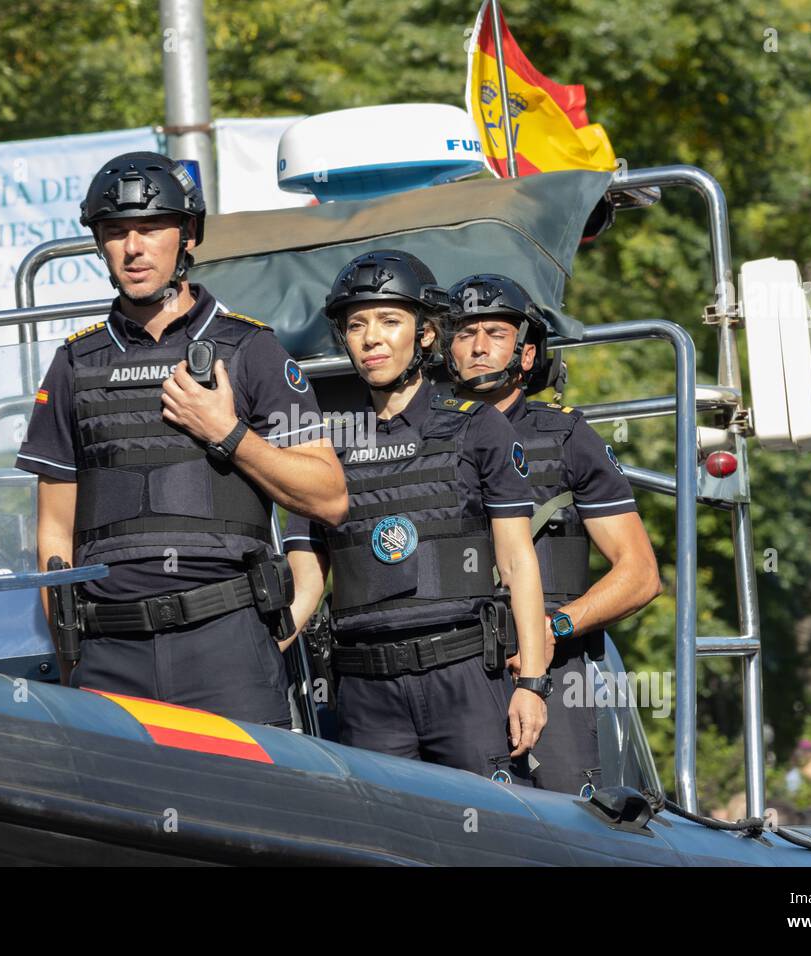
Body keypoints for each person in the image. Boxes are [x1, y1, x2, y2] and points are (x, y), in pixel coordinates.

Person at [16, 151, 346, 725]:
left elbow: (329, 497)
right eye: (116, 232)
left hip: (225, 643)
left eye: (150, 228)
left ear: (187, 234)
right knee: (116, 817)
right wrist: (70, 657)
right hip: (107, 650)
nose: (133, 247)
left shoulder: (251, 350)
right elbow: (53, 531)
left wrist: (228, 433)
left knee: (242, 813)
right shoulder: (74, 363)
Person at [283, 250, 550, 780]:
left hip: (465, 677)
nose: (371, 338)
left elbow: (519, 563)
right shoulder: (322, 449)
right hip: (365, 691)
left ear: (426, 334)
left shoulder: (478, 428)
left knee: (490, 837)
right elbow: (306, 587)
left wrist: (532, 686)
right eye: (356, 324)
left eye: (389, 320)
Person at [443, 273, 661, 795]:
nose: (477, 347)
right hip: (447, 671)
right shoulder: (419, 435)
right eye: (464, 332)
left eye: (495, 333)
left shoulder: (564, 437)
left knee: (568, 826)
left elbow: (640, 575)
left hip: (555, 672)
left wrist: (555, 627)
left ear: (525, 352)